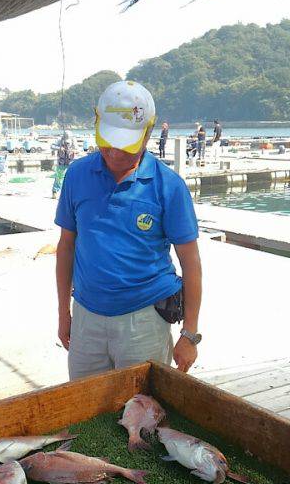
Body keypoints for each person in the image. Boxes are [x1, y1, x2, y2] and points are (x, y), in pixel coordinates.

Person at [55, 80, 202, 380]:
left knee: (145, 410)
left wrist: (190, 334)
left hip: (144, 320)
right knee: (84, 411)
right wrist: (63, 313)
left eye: (126, 142)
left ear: (148, 133)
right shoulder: (77, 175)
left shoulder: (169, 186)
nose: (114, 151)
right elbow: (66, 246)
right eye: (108, 139)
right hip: (86, 316)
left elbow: (191, 262)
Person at [52, 131, 76, 199]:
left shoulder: (73, 140)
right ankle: (55, 191)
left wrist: (73, 151)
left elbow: (77, 148)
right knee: (59, 177)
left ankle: (70, 194)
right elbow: (52, 146)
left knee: (71, 178)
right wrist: (59, 148)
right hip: (61, 162)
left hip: (70, 162)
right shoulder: (59, 140)